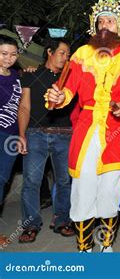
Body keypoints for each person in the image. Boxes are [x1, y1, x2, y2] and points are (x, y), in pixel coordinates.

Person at [46, 0, 120, 252]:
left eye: (110, 21)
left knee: (111, 190)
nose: (105, 25)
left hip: (116, 128)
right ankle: (83, 248)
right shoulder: (82, 54)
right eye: (100, 21)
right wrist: (59, 97)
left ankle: (106, 245)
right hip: (87, 128)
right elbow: (68, 88)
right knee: (82, 186)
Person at [18, 37, 75, 243]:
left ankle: (62, 220)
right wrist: (22, 135)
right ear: (50, 52)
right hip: (36, 133)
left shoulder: (70, 79)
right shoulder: (30, 76)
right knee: (31, 182)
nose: (65, 57)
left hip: (65, 134)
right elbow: (24, 107)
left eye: (68, 55)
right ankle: (31, 225)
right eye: (62, 53)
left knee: (64, 181)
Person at [0, 35, 24, 246]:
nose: (9, 58)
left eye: (13, 54)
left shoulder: (17, 76)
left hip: (10, 137)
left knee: (1, 183)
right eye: (4, 54)